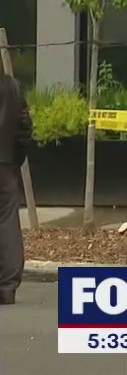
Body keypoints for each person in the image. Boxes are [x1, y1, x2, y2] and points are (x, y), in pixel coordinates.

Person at [0, 73, 33, 305]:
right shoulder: (13, 86)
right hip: (5, 164)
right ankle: (7, 287)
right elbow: (24, 128)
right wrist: (13, 159)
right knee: (8, 222)